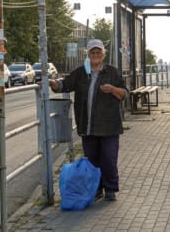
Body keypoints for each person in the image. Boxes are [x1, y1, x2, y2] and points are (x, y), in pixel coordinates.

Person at [48, 39, 128, 201]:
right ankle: (96, 188)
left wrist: (112, 89)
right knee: (92, 161)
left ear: (103, 54)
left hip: (109, 126)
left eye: (98, 52)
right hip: (87, 125)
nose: (95, 55)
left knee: (109, 159)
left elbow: (125, 93)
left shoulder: (112, 72)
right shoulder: (81, 72)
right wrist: (53, 84)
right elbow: (65, 85)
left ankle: (110, 189)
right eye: (92, 52)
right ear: (88, 55)